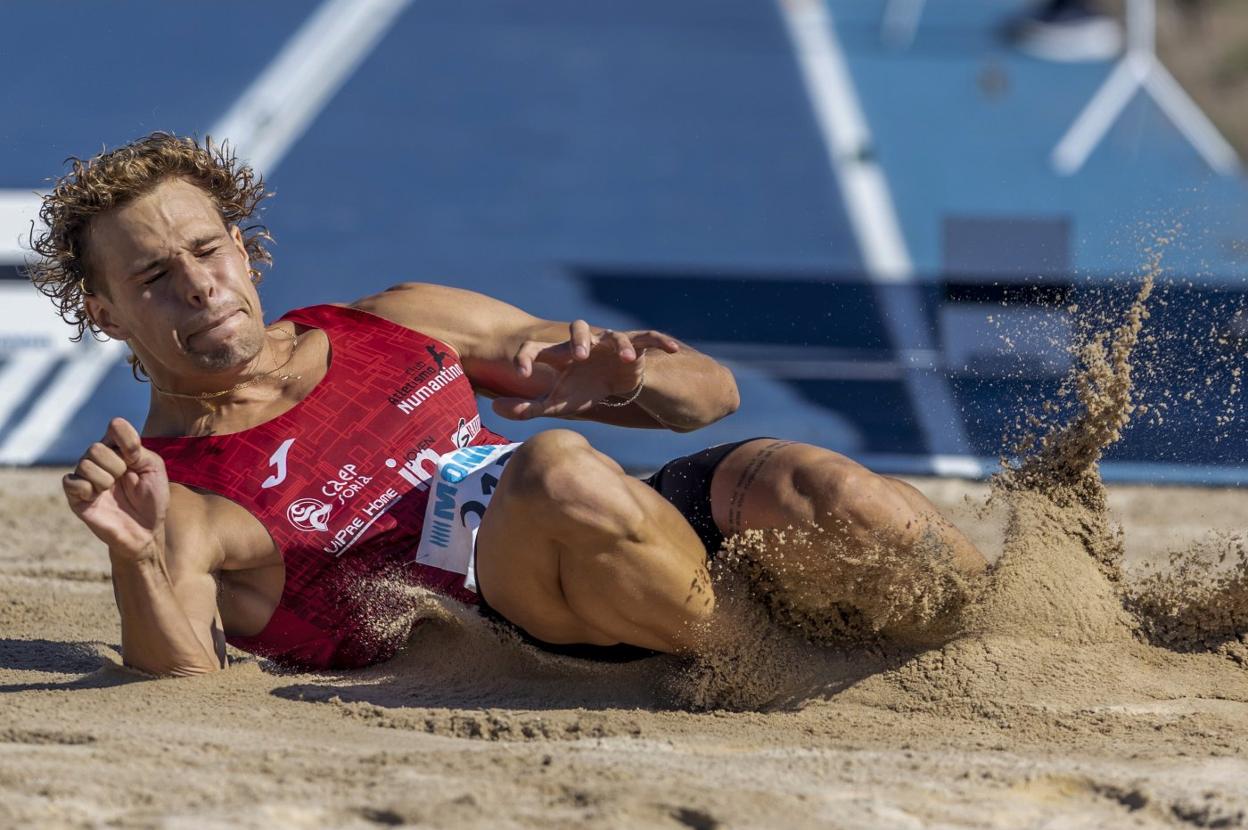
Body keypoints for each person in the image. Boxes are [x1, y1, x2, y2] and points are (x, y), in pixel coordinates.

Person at [30, 133, 987, 677]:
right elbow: (180, 683)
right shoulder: (182, 496)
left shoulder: (396, 322)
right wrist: (136, 557)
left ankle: (995, 628)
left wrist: (629, 380)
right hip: (528, 615)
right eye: (154, 275)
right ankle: (773, 664)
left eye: (206, 251)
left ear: (245, 247)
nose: (198, 287)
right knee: (556, 469)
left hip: (635, 525)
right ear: (105, 311)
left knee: (810, 481)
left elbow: (713, 399)